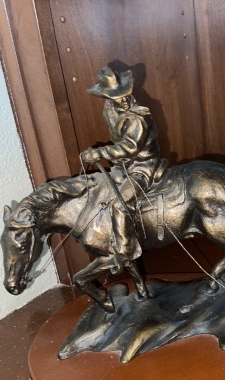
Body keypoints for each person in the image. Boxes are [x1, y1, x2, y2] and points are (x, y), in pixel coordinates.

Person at [80, 66, 167, 268]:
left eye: (124, 94)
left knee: (120, 205)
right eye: (116, 97)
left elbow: (130, 147)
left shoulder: (138, 117)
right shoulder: (110, 110)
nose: (123, 100)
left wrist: (99, 153)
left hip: (143, 167)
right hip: (125, 165)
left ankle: (125, 251)